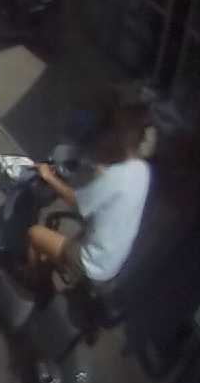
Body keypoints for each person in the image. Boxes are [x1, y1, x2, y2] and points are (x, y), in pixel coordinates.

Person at [26, 86, 154, 285]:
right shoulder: (142, 170)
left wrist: (48, 177)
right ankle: (52, 265)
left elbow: (78, 203)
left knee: (34, 233)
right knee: (62, 231)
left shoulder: (116, 176)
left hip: (93, 262)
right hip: (112, 258)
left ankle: (31, 281)